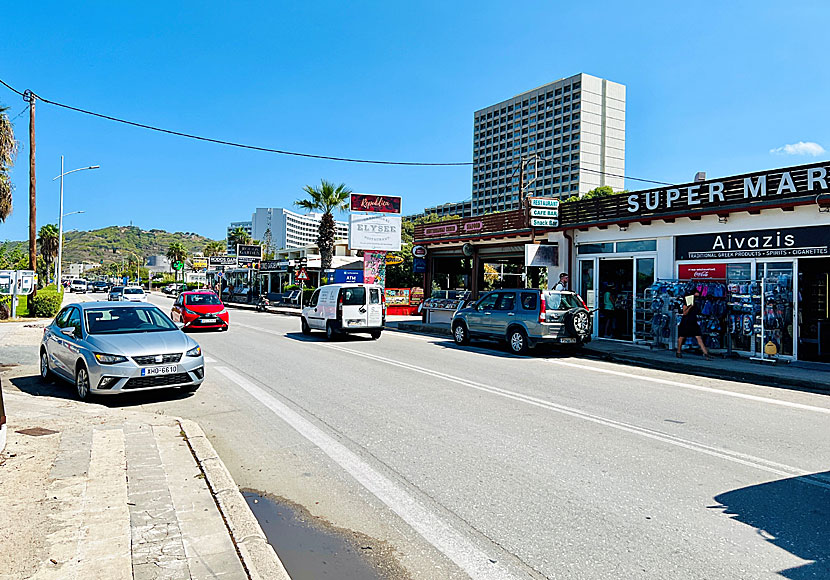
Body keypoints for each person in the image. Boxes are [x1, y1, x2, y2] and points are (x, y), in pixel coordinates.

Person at [677, 290, 712, 359]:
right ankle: (678, 351)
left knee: (698, 337)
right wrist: (690, 306)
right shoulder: (686, 302)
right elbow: (684, 313)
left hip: (693, 321)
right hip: (686, 322)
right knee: (682, 337)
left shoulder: (697, 303)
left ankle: (705, 353)